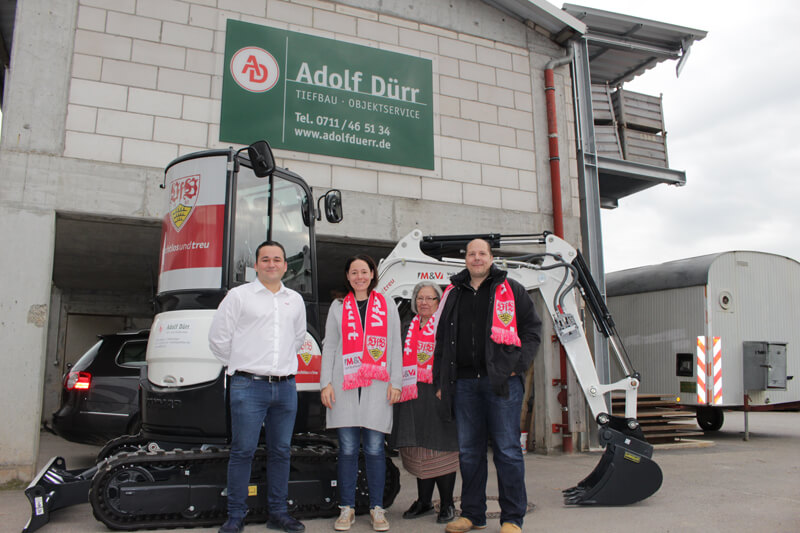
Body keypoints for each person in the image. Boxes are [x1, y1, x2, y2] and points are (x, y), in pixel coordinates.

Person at [433, 239, 542, 533]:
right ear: (465, 259)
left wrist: (516, 366)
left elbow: (532, 331)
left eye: (482, 253)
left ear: (492, 258)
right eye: (472, 254)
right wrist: (441, 381)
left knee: (507, 451)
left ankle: (512, 518)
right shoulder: (453, 293)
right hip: (464, 384)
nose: (477, 258)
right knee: (469, 452)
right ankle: (473, 514)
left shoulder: (512, 290)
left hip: (501, 384)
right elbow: (441, 339)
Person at [208, 241, 307, 533]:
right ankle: (235, 515)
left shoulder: (295, 300)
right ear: (256, 265)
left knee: (281, 452)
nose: (272, 264)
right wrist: (240, 365)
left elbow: (298, 338)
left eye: (277, 259)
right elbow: (218, 339)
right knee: (243, 452)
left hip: (286, 388)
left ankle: (278, 513)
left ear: (286, 266)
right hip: (248, 386)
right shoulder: (239, 297)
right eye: (266, 259)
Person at [320, 254, 402, 532]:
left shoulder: (386, 304)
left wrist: (397, 382)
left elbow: (394, 345)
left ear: (372, 274)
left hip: (377, 385)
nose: (359, 276)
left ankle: (377, 509)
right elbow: (330, 345)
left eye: (363, 271)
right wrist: (325, 383)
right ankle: (347, 509)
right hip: (343, 385)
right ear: (348, 277)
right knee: (347, 449)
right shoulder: (338, 306)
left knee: (376, 449)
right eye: (353, 272)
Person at [390, 281, 459, 524]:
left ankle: (448, 503)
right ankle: (424, 501)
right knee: (418, 448)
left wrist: (447, 387)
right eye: (420, 298)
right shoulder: (406, 327)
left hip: (437, 393)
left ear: (439, 304)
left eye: (430, 299)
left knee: (441, 448)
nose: (424, 302)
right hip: (411, 394)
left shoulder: (446, 327)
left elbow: (454, 360)